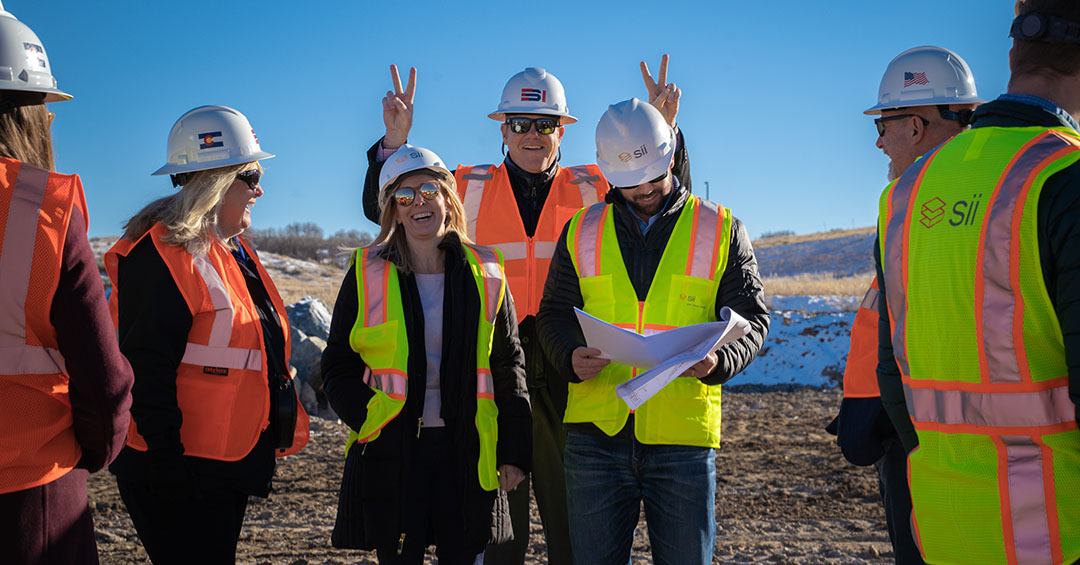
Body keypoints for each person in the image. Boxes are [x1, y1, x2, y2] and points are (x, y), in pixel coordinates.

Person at [359, 58, 689, 565]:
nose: (532, 134)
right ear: (502, 131)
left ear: (562, 131)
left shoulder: (593, 187)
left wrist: (665, 134)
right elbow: (390, 198)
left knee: (571, 517)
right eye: (519, 123)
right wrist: (394, 145)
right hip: (491, 366)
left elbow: (657, 194)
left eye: (545, 124)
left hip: (569, 362)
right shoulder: (465, 185)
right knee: (497, 520)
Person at [875, 1, 1080, 562]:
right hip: (1056, 534)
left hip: (944, 527)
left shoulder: (903, 198)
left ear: (1013, 54)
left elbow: (892, 374)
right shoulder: (1064, 177)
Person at [536, 99, 769, 564]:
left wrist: (719, 361)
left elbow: (753, 318)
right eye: (629, 183)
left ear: (673, 154)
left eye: (653, 178)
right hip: (595, 434)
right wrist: (567, 356)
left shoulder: (721, 228)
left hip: (682, 437)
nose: (643, 189)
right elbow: (554, 314)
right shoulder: (581, 229)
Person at [103, 105, 309, 564]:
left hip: (223, 462)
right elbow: (145, 366)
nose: (260, 190)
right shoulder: (161, 254)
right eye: (251, 175)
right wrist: (167, 465)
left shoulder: (232, 253)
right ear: (215, 180)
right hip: (177, 468)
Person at [325, 144, 532, 564]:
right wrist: (369, 415)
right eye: (405, 196)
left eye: (428, 191)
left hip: (466, 450)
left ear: (447, 198)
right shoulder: (367, 273)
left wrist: (514, 450)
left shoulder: (487, 271)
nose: (418, 203)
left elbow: (508, 363)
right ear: (393, 211)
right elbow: (337, 366)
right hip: (393, 450)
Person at [827, 45, 982, 565]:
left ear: (916, 126)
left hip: (926, 435)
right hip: (917, 424)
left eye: (884, 124)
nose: (877, 140)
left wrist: (894, 416)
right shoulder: (975, 191)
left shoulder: (915, 204)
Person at [0, 7, 134, 564]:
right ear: (26, 113)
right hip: (33, 492)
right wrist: (97, 451)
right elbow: (104, 379)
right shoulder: (40, 208)